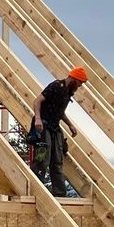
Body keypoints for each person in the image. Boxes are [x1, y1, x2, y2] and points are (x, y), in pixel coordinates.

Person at [32, 67, 87, 196]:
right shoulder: (56, 86)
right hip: (43, 126)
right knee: (42, 160)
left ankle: (60, 195)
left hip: (55, 128)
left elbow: (60, 112)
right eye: (79, 83)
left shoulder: (67, 92)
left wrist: (70, 125)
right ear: (74, 79)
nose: (79, 86)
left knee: (57, 161)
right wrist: (38, 119)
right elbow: (37, 101)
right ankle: (36, 192)